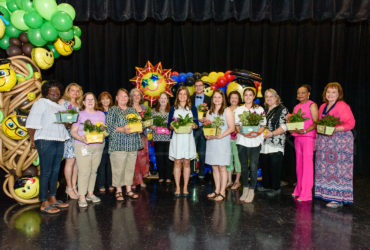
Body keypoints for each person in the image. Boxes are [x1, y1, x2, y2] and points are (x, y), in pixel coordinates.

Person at [26, 80, 70, 214]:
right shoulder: (40, 103)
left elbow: (65, 125)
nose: (56, 93)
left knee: (55, 171)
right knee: (46, 171)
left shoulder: (60, 107)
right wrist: (33, 140)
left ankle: (52, 198)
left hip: (59, 140)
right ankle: (44, 202)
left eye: (58, 91)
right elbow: (31, 123)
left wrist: (68, 122)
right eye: (53, 90)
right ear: (46, 92)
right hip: (45, 140)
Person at [314, 82, 355, 208]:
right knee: (325, 169)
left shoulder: (343, 106)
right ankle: (325, 193)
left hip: (340, 143)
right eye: (328, 92)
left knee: (339, 170)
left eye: (333, 92)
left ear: (339, 94)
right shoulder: (322, 107)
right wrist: (316, 140)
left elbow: (351, 123)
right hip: (325, 142)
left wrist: (335, 129)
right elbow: (319, 125)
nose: (330, 95)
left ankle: (338, 199)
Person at [70, 93, 106, 208]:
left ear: (95, 102)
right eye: (88, 100)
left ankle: (90, 194)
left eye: (92, 99)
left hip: (98, 146)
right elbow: (73, 131)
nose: (90, 101)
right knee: (84, 171)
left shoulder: (101, 114)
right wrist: (81, 138)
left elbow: (103, 131)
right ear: (84, 102)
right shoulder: (79, 114)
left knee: (93, 171)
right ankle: (81, 196)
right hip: (82, 146)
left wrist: (103, 135)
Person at [106, 88, 142, 201]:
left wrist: (140, 128)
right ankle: (118, 191)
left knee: (130, 168)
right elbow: (108, 126)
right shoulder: (113, 110)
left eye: (125, 96)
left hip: (132, 144)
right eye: (121, 96)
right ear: (116, 98)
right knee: (118, 169)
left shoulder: (133, 110)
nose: (123, 98)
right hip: (118, 144)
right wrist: (122, 129)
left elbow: (139, 124)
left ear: (128, 98)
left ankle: (129, 189)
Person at [234, 87, 266, 203]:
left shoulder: (259, 109)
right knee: (243, 167)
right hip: (242, 141)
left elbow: (263, 125)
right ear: (243, 97)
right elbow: (237, 125)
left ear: (253, 97)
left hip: (255, 141)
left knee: (253, 166)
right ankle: (245, 189)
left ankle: (252, 190)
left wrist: (257, 133)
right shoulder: (239, 109)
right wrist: (242, 132)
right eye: (246, 95)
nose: (248, 97)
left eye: (250, 95)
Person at [290, 84, 318, 202]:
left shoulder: (312, 105)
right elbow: (293, 124)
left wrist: (306, 130)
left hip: (308, 138)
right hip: (298, 138)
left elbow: (316, 123)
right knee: (299, 165)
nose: (300, 95)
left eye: (303, 92)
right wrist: (292, 128)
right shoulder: (296, 107)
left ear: (308, 94)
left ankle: (306, 194)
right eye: (298, 93)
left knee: (307, 166)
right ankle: (299, 189)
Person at [205, 90, 235, 201]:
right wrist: (207, 135)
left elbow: (231, 128)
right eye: (215, 97)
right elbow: (207, 128)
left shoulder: (227, 111)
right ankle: (216, 190)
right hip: (212, 142)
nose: (217, 99)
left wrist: (221, 136)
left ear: (223, 99)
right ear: (212, 99)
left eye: (219, 97)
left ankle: (222, 192)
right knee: (214, 166)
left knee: (222, 167)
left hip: (222, 141)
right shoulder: (209, 112)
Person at [168, 87, 198, 197]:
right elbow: (169, 125)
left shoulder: (192, 108)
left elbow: (196, 124)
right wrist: (173, 126)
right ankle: (177, 187)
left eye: (185, 94)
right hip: (177, 139)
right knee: (177, 162)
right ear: (177, 96)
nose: (182, 96)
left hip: (188, 139)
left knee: (186, 163)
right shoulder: (173, 108)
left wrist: (192, 126)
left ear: (188, 96)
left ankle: (185, 187)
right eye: (180, 94)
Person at [260, 89, 288, 197]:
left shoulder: (282, 109)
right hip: (264, 142)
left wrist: (272, 134)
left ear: (276, 97)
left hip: (276, 142)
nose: (268, 98)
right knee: (265, 165)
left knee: (275, 166)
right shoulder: (264, 110)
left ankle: (276, 188)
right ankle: (266, 185)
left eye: (271, 96)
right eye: (266, 96)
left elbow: (284, 126)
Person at [59, 83, 83, 200]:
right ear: (68, 91)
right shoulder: (63, 102)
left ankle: (74, 186)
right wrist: (67, 122)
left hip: (79, 136)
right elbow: (58, 118)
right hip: (68, 135)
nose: (75, 93)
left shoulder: (79, 104)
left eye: (77, 91)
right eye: (72, 90)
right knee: (70, 161)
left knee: (77, 162)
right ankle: (68, 187)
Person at [190, 80, 211, 181]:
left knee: (202, 152)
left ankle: (202, 173)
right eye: (196, 86)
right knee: (191, 151)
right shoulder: (190, 99)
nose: (198, 87)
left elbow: (211, 113)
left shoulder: (209, 99)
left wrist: (206, 120)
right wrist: (195, 119)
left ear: (203, 87)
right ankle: (191, 172)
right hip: (193, 129)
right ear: (194, 87)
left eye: (200, 86)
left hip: (204, 129)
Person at [130, 88, 150, 188]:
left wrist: (147, 125)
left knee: (142, 159)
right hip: (132, 137)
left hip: (143, 137)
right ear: (131, 97)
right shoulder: (128, 108)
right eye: (134, 95)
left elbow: (147, 122)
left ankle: (141, 180)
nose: (137, 97)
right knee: (134, 160)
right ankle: (134, 181)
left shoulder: (143, 107)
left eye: (138, 95)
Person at [151, 92, 172, 183]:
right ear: (159, 100)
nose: (163, 100)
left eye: (165, 98)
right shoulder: (153, 111)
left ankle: (168, 177)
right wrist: (153, 127)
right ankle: (161, 176)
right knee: (159, 158)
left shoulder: (171, 111)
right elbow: (150, 123)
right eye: (161, 98)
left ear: (167, 100)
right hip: (158, 138)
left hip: (168, 139)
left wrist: (171, 128)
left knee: (168, 158)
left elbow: (175, 123)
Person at [96, 91, 114, 193]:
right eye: (103, 99)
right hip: (101, 141)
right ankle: (101, 184)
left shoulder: (114, 110)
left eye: (107, 98)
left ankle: (111, 183)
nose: (105, 101)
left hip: (112, 141)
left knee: (111, 163)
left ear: (110, 100)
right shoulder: (98, 112)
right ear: (100, 101)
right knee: (102, 163)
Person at [226, 91, 242, 190]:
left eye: (236, 98)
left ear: (239, 99)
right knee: (228, 160)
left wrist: (238, 131)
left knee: (237, 160)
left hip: (238, 138)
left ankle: (237, 181)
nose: (234, 99)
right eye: (232, 97)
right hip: (227, 138)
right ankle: (229, 181)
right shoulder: (226, 110)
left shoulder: (242, 110)